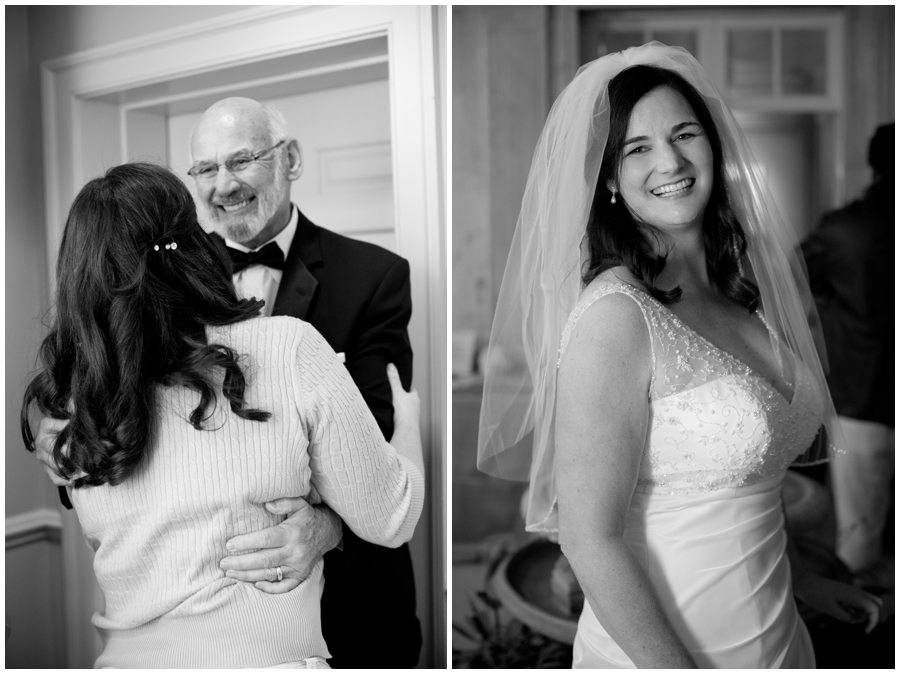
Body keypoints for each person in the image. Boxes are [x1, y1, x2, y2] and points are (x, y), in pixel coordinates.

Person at [477, 43, 881, 668]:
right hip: (666, 654)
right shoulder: (616, 318)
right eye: (637, 148)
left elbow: (758, 473)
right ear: (608, 177)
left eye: (684, 133)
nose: (669, 160)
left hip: (778, 639)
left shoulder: (739, 291)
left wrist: (806, 582)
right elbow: (590, 539)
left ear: (713, 146)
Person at [35, 97, 421, 667]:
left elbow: (372, 450)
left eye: (241, 160)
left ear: (289, 158)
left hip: (345, 602)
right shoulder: (147, 303)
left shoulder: (374, 275)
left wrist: (328, 526)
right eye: (205, 169)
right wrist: (66, 452)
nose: (223, 184)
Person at [802, 123, 895, 587]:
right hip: (870, 398)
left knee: (860, 536)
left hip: (863, 399)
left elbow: (790, 284)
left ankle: (867, 638)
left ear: (873, 164)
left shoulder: (845, 231)